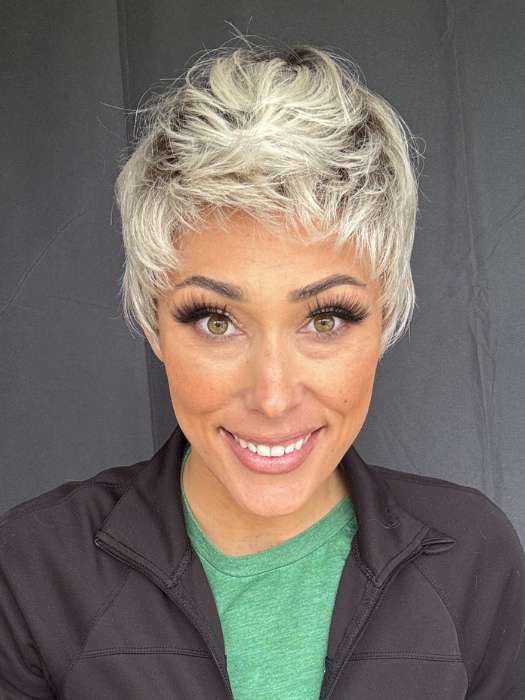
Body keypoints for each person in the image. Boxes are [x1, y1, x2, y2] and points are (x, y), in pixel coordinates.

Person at [1, 37, 524, 700]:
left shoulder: (472, 559)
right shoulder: (33, 571)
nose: (273, 397)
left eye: (325, 319)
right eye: (216, 321)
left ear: (385, 319)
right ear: (152, 322)